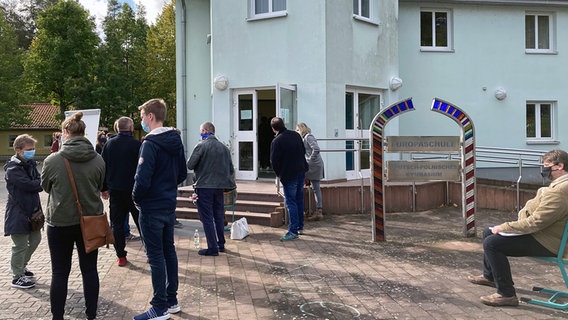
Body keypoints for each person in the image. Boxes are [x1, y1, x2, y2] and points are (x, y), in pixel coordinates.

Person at [468, 149, 568, 307]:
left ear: (560, 166)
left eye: (546, 165)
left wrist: (505, 227)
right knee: (488, 231)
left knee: (492, 243)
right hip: (551, 235)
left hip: (550, 242)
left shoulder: (560, 190)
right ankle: (490, 277)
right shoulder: (557, 187)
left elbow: (535, 222)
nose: (543, 169)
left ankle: (506, 294)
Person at [41, 112, 105, 320]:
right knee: (90, 270)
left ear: (65, 133)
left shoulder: (53, 160)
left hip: (60, 221)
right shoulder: (98, 159)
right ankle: (91, 315)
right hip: (91, 221)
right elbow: (100, 186)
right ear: (83, 133)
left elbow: (46, 187)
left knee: (59, 272)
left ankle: (57, 316)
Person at [132, 98, 187, 320]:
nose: (142, 121)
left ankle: (159, 306)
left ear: (151, 117)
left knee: (156, 257)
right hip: (168, 204)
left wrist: (136, 198)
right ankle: (171, 300)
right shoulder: (175, 140)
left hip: (151, 206)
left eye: (143, 116)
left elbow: (142, 179)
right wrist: (167, 185)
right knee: (169, 252)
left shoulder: (150, 144)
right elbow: (182, 173)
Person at [187, 121, 236, 256]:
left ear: (205, 130)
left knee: (207, 217)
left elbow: (190, 165)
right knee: (219, 215)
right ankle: (220, 243)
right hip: (219, 187)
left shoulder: (201, 146)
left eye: (201, 131)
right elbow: (231, 169)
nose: (200, 133)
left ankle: (212, 247)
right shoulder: (224, 148)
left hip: (204, 187)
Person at [101, 116, 142, 267]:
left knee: (117, 225)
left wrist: (104, 188)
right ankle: (151, 253)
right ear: (131, 128)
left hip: (116, 191)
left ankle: (121, 256)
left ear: (117, 128)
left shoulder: (109, 145)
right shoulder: (138, 145)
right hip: (135, 191)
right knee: (141, 223)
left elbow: (103, 167)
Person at [4, 134, 43, 289]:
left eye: (33, 149)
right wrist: (37, 183)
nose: (32, 152)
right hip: (18, 213)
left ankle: (20, 265)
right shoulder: (13, 169)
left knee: (35, 240)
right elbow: (30, 185)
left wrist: (37, 183)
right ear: (18, 150)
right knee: (20, 244)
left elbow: (39, 180)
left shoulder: (30, 164)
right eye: (29, 149)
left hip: (33, 212)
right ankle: (16, 276)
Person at [270, 117, 308, 241]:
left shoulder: (277, 141)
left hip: (289, 175)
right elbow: (303, 151)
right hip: (300, 171)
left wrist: (279, 174)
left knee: (291, 202)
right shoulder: (296, 135)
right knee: (299, 200)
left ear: (273, 129)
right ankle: (300, 227)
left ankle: (293, 231)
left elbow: (274, 161)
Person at [296, 122, 325, 221]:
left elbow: (316, 149)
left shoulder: (308, 137)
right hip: (312, 165)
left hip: (313, 166)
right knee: (314, 188)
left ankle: (313, 211)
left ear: (301, 129)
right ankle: (317, 211)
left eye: (297, 130)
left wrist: (309, 160)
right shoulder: (304, 138)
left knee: (310, 186)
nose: (297, 132)